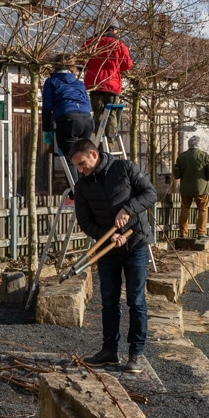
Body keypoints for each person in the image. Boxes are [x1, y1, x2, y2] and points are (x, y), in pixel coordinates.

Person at [70, 138, 158, 374]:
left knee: (135, 300)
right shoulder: (83, 186)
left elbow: (150, 194)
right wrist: (107, 237)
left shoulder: (125, 168)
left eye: (82, 163)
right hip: (108, 249)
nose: (80, 169)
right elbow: (85, 222)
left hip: (136, 243)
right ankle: (109, 351)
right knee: (109, 301)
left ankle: (136, 353)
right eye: (77, 166)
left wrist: (127, 209)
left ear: (93, 155)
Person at [41, 53, 93, 185]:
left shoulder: (51, 82)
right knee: (85, 156)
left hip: (68, 119)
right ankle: (90, 189)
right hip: (86, 119)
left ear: (54, 66)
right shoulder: (79, 83)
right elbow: (88, 103)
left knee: (71, 158)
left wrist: (46, 129)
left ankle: (76, 194)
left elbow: (47, 106)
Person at [81, 22, 133, 142]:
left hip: (94, 83)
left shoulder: (90, 43)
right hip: (112, 84)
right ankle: (110, 141)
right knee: (111, 113)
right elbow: (127, 65)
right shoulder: (119, 44)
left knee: (98, 113)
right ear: (114, 30)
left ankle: (99, 140)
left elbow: (82, 61)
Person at [172, 136, 209, 238]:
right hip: (201, 188)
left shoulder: (182, 157)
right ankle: (201, 233)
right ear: (198, 144)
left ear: (189, 144)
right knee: (202, 210)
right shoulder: (204, 156)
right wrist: (207, 178)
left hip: (186, 188)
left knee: (184, 210)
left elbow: (176, 173)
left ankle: (183, 233)